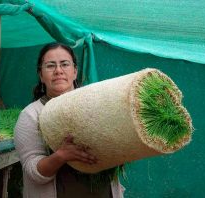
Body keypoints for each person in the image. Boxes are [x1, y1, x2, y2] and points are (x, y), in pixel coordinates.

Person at [14, 42, 125, 198]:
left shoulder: (96, 104)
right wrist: (61, 156)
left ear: (75, 71)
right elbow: (33, 171)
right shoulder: (31, 115)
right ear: (41, 75)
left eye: (64, 64)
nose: (58, 71)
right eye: (50, 66)